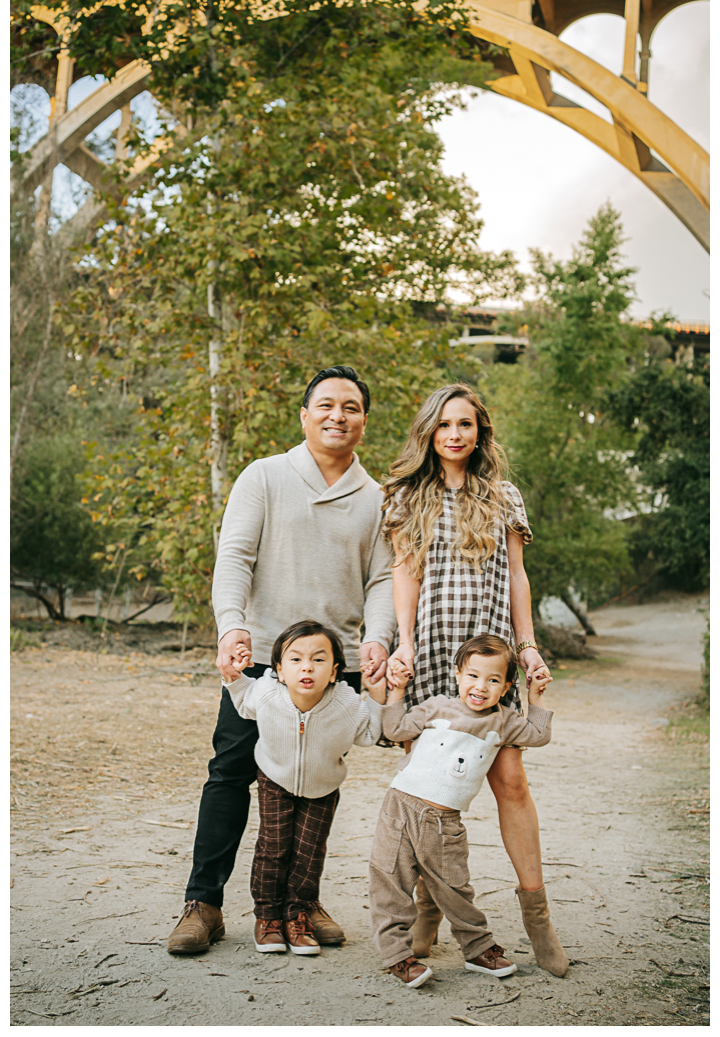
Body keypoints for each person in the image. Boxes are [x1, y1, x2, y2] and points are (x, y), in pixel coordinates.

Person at [168, 366, 395, 955]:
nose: (337, 415)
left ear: (364, 421)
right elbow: (235, 557)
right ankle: (204, 903)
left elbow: (384, 578)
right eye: (325, 404)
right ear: (304, 414)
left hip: (334, 665)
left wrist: (379, 638)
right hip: (262, 658)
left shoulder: (377, 499)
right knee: (230, 775)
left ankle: (301, 903)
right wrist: (231, 627)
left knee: (311, 787)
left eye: (350, 407)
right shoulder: (264, 476)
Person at [381, 383, 569, 978]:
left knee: (509, 777)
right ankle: (430, 913)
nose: (455, 434)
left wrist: (528, 644)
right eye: (444, 425)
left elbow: (516, 576)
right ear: (429, 433)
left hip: (487, 658)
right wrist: (403, 644)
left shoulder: (503, 495)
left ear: (480, 432)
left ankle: (537, 917)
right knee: (433, 787)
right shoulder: (408, 495)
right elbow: (405, 574)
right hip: (434, 653)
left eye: (465, 424)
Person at [369, 634, 552, 987]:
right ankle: (398, 956)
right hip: (400, 808)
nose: (480, 687)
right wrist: (396, 691)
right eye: (473, 676)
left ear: (506, 686)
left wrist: (535, 697)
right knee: (389, 882)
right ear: (457, 674)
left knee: (455, 888)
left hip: (444, 822)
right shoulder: (437, 706)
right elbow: (394, 729)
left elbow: (539, 734)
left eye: (493, 680)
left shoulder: (504, 721)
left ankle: (478, 948)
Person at [222, 620, 385, 955]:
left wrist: (378, 694)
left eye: (319, 659)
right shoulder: (266, 692)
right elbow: (243, 701)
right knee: (274, 847)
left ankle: (297, 915)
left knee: (310, 852)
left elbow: (370, 733)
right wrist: (234, 676)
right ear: (279, 670)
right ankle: (267, 916)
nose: (307, 667)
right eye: (295, 660)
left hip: (323, 785)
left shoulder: (347, 703)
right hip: (274, 778)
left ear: (335, 670)